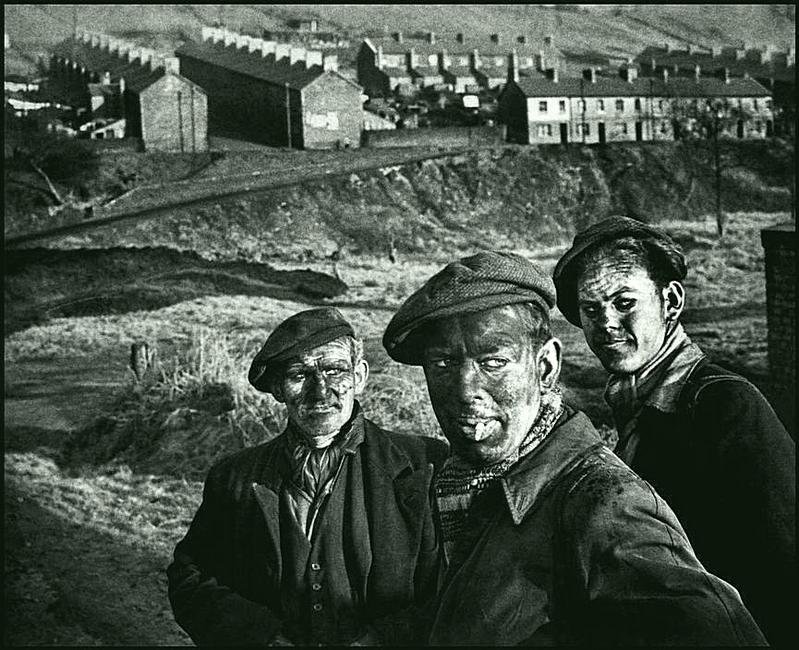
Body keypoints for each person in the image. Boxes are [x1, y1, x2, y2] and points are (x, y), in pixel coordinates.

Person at [382, 250, 767, 646]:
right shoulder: (458, 483)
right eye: (442, 364)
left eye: (493, 361)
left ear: (545, 367)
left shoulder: (606, 503)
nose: (465, 391)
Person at [553, 216, 795, 647]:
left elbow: (784, 568)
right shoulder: (637, 407)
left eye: (624, 302)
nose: (606, 322)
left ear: (671, 301)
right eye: (591, 310)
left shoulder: (725, 407)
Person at [167, 307, 447, 646]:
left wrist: (383, 640)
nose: (320, 391)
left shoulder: (424, 466)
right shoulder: (235, 478)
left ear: (360, 376)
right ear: (278, 388)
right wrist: (261, 636)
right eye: (300, 374)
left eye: (334, 370)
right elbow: (192, 576)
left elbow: (458, 587)